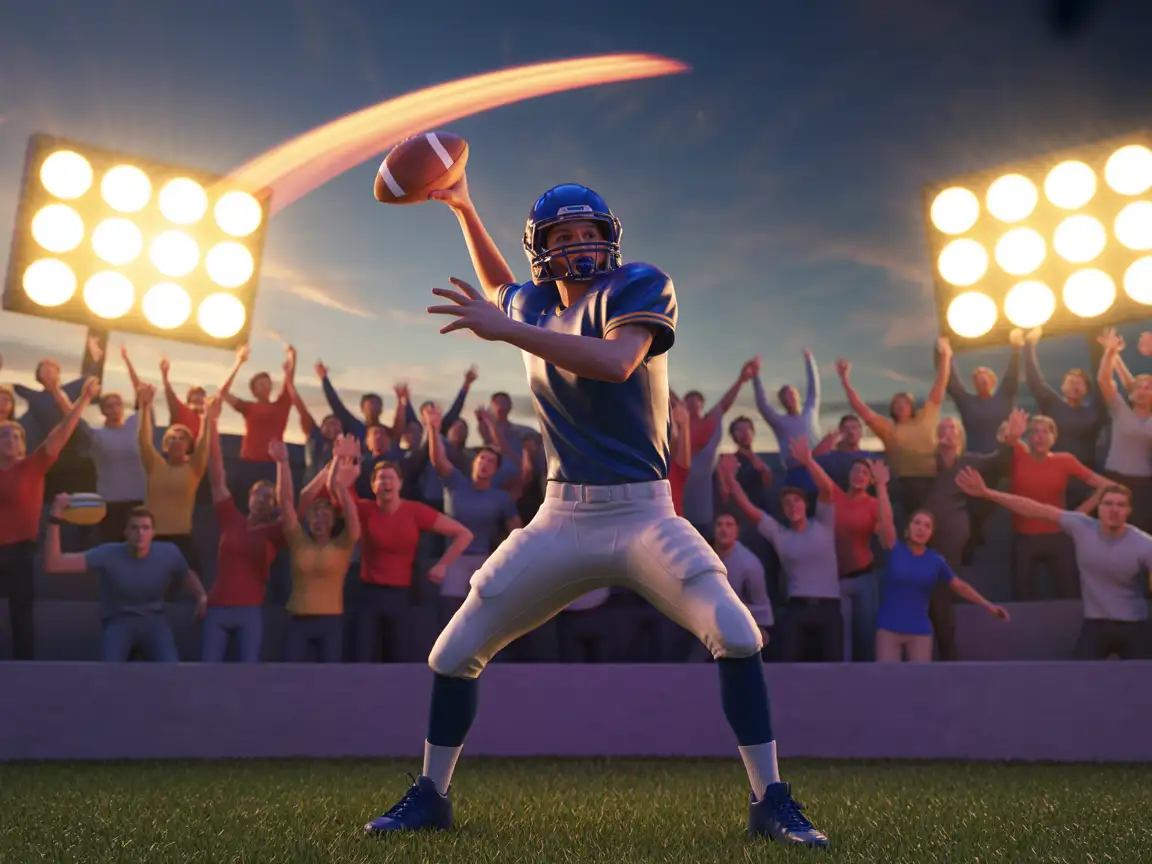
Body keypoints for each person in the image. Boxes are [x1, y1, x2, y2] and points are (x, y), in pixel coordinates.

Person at [361, 175, 828, 849]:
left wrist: (509, 330)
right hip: (561, 514)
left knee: (736, 630)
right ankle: (432, 794)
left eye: (588, 232)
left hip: (643, 512)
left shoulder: (640, 285)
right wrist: (463, 205)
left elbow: (614, 362)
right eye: (563, 236)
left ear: (610, 238)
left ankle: (770, 798)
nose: (580, 245)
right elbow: (501, 288)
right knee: (454, 650)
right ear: (540, 249)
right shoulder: (529, 302)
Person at [956, 467, 1152, 659]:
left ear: (1129, 511)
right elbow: (1035, 509)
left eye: (1120, 505)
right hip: (1096, 623)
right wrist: (988, 493)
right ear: (1098, 508)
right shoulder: (1081, 526)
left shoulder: (1144, 544)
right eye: (1108, 504)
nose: (1114, 510)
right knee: (1078, 679)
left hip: (1134, 624)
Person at [717, 437, 843, 664]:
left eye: (797, 501)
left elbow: (827, 489)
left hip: (829, 609)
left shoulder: (823, 523)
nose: (793, 505)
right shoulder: (779, 533)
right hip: (797, 608)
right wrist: (731, 481)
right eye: (787, 503)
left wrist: (808, 461)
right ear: (783, 511)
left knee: (833, 669)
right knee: (788, 665)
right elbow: (750, 510)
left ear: (805, 505)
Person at [870, 461, 1009, 662]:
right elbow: (886, 520)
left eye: (926, 526)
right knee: (887, 684)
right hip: (888, 629)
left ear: (931, 533)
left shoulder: (935, 560)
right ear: (908, 528)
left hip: (919, 631)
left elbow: (960, 586)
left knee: (921, 685)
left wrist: (989, 606)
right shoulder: (894, 548)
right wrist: (881, 486)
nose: (921, 528)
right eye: (916, 523)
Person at [42, 496, 207, 662]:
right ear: (126, 532)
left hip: (154, 620)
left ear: (153, 533)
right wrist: (54, 517)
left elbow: (186, 573)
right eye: (134, 528)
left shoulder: (169, 553)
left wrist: (200, 595)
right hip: (119, 620)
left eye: (145, 528)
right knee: (108, 670)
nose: (140, 533)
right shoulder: (108, 554)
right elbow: (54, 564)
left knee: (172, 668)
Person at [0, 377, 97, 659]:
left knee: (21, 615)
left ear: (22, 445)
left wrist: (85, 399)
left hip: (19, 552)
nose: (10, 439)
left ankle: (24, 669)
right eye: (4, 435)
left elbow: (64, 430)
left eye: (16, 436)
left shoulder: (33, 465)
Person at [272, 435, 361, 663]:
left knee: (329, 680)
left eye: (325, 514)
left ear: (332, 521)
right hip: (298, 620)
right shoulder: (298, 541)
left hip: (330, 623)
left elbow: (352, 518)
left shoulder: (343, 544)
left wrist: (341, 485)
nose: (319, 518)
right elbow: (285, 504)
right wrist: (282, 464)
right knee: (288, 675)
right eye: (315, 514)